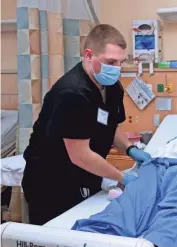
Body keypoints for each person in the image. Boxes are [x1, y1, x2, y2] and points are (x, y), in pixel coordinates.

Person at [21, 24, 151, 225]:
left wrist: (131, 149)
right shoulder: (72, 93)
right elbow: (79, 154)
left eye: (120, 62)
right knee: (58, 234)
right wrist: (122, 177)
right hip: (51, 181)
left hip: (84, 172)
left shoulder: (112, 87)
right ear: (89, 55)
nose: (117, 69)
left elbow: (111, 124)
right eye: (111, 62)